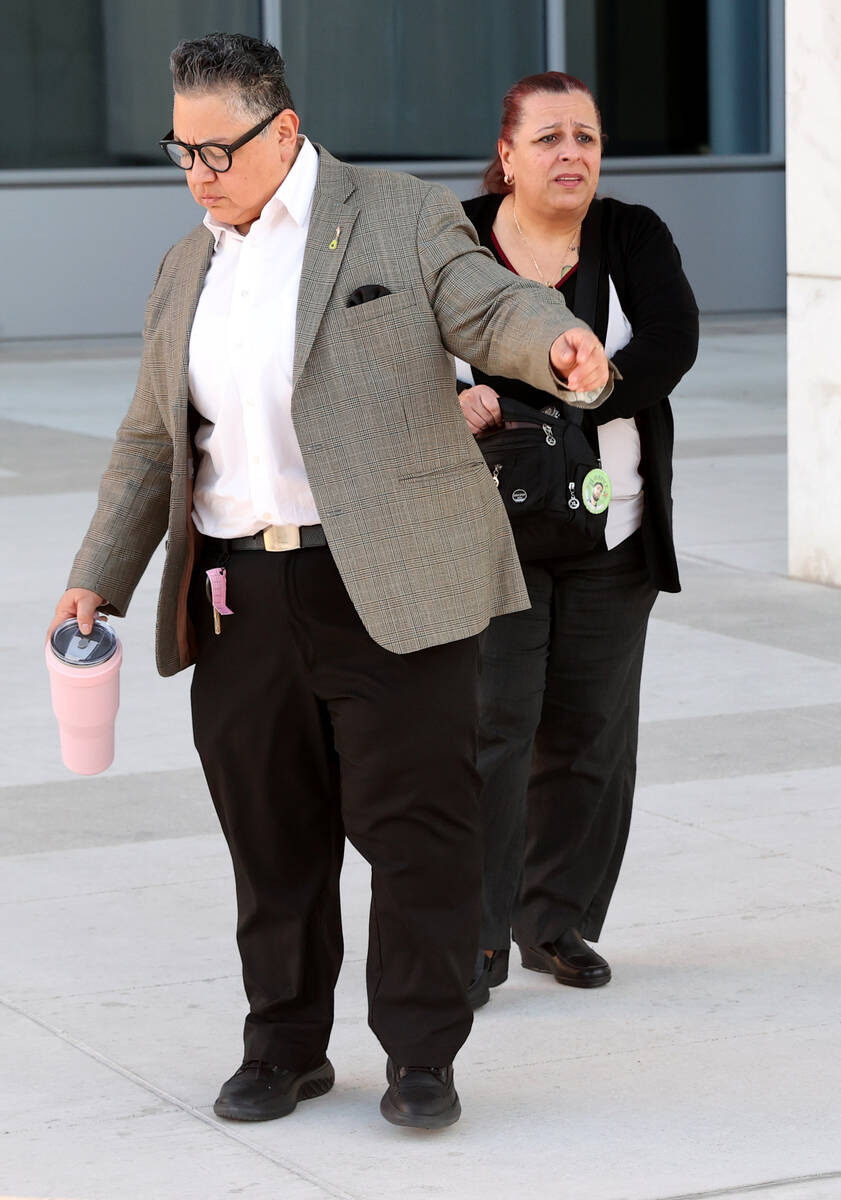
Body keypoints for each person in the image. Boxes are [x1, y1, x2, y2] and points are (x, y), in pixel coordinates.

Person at [47, 37, 613, 1130]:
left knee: (419, 831)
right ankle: (284, 1047)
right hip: (236, 595)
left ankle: (419, 1056)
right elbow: (151, 444)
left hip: (386, 581)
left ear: (285, 131)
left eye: (219, 147)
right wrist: (97, 581)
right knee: (270, 832)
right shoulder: (186, 266)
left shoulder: (392, 213)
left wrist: (557, 348)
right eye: (182, 148)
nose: (199, 170)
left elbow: (487, 305)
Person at [458, 72, 698, 1009]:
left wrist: (592, 388)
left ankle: (554, 921)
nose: (572, 155)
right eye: (550, 137)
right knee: (491, 732)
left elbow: (670, 344)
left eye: (587, 138)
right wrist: (453, 396)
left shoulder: (633, 234)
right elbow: (402, 345)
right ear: (508, 152)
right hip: (489, 532)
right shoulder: (457, 235)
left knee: (592, 735)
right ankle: (475, 935)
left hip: (615, 525)